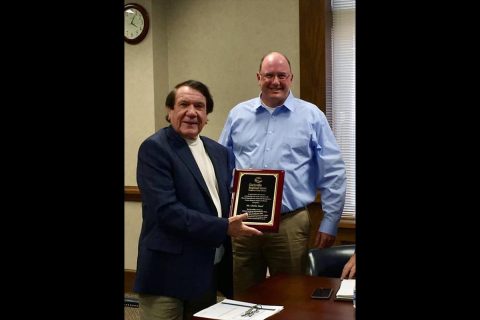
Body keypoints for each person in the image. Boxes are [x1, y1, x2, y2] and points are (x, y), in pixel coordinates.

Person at [218, 51, 347, 294]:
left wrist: (330, 222)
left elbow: (333, 171)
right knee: (245, 294)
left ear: (291, 77)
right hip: (244, 222)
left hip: (290, 223)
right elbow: (222, 164)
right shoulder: (238, 115)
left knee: (292, 294)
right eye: (269, 75)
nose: (275, 81)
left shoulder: (311, 116)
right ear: (258, 77)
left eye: (281, 75)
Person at [134, 80, 262, 320]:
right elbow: (168, 212)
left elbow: (222, 202)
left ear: (207, 116)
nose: (192, 112)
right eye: (184, 104)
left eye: (199, 106)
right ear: (169, 111)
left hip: (206, 271)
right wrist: (224, 227)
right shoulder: (155, 149)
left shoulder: (219, 152)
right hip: (167, 275)